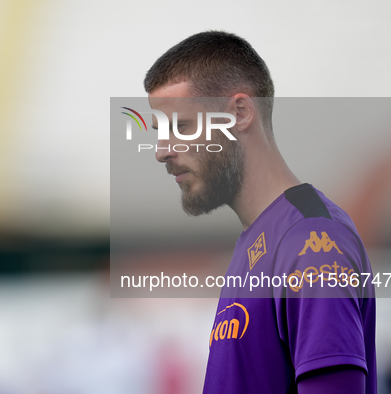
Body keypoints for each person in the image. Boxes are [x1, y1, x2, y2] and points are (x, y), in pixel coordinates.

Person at [144, 31, 376, 393]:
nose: (161, 151)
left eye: (181, 127)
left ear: (239, 112)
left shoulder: (313, 241)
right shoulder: (260, 239)